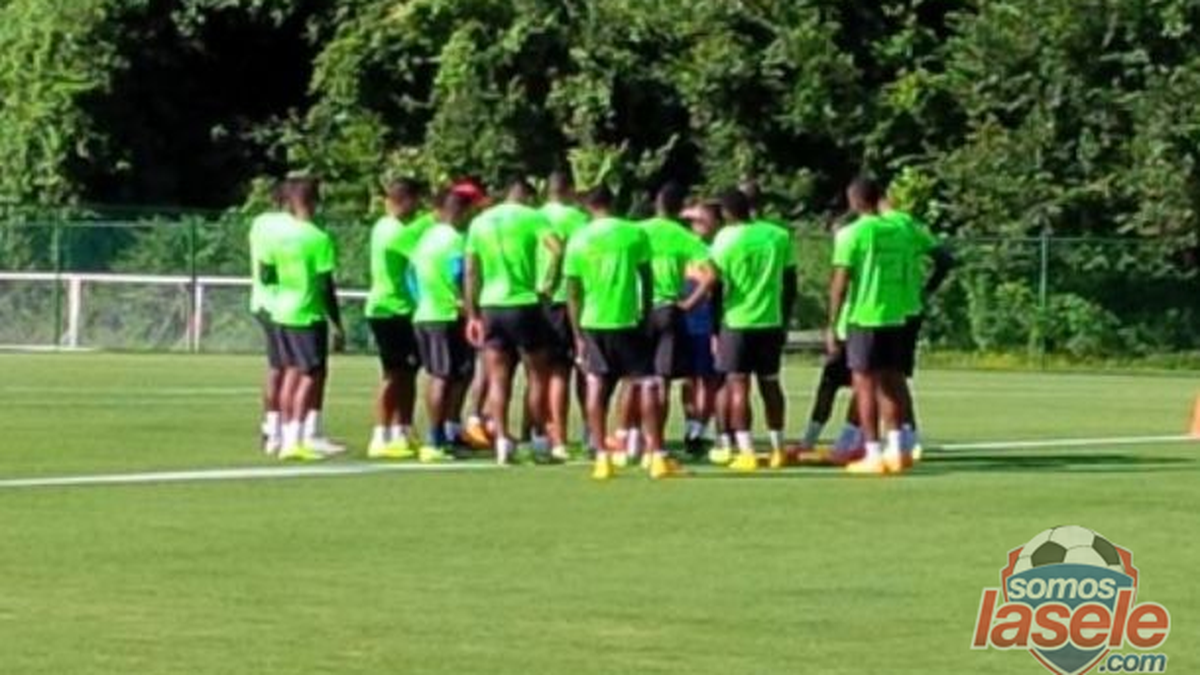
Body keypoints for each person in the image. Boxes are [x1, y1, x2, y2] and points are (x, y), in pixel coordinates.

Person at [564, 186, 682, 480]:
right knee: (647, 384)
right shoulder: (634, 233)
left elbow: (572, 292)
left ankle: (602, 457)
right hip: (628, 319)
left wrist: (577, 333)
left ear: (588, 206)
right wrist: (646, 313)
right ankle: (656, 456)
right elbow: (647, 277)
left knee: (595, 385)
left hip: (593, 321)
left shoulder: (579, 238)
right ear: (613, 202)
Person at [613, 183, 714, 465]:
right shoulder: (683, 236)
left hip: (635, 310)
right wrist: (690, 303)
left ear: (655, 205)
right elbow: (710, 275)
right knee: (660, 382)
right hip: (668, 310)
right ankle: (654, 447)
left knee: (631, 379)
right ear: (679, 209)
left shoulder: (636, 231)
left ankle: (627, 442)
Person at [464, 179, 562, 464]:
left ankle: (502, 441)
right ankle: (538, 439)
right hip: (524, 303)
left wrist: (472, 314)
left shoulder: (480, 222)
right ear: (527, 196)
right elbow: (557, 249)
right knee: (537, 375)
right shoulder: (533, 217)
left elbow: (470, 271)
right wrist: (548, 283)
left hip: (491, 306)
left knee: (497, 377)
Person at [826, 177, 914, 475]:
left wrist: (832, 322)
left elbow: (841, 281)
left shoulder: (851, 233)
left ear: (853, 200)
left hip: (864, 315)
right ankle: (896, 449)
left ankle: (873, 452)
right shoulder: (899, 231)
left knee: (864, 386)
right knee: (890, 383)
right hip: (895, 314)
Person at [259, 177, 346, 461]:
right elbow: (325, 285)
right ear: (314, 201)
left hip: (281, 312)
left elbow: (266, 273)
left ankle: (284, 437)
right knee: (308, 376)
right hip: (307, 314)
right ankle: (296, 439)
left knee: (289, 374)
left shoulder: (277, 236)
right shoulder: (318, 238)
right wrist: (336, 323)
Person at [710, 189, 797, 471]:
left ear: (726, 212)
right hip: (770, 321)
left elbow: (716, 286)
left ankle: (746, 450)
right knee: (771, 384)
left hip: (737, 321)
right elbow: (790, 282)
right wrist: (784, 318)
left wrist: (714, 327)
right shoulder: (778, 235)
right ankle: (778, 449)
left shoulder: (725, 239)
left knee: (738, 386)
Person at [880, 196, 954, 461]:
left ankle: (902, 437)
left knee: (884, 375)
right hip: (911, 308)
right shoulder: (910, 226)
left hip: (886, 310)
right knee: (895, 375)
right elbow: (945, 258)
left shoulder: (877, 226)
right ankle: (906, 435)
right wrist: (927, 290)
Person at [364, 179, 430, 459]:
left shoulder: (390, 226)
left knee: (408, 371)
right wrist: (435, 218)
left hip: (402, 308)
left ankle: (402, 429)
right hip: (389, 309)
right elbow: (419, 254)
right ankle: (381, 434)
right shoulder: (392, 229)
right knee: (393, 373)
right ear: (407, 200)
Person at [409, 190, 475, 462]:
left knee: (448, 374)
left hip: (425, 313)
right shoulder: (456, 240)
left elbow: (410, 275)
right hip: (446, 315)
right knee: (442, 376)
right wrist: (465, 304)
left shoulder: (426, 238)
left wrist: (420, 300)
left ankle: (445, 434)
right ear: (460, 211)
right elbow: (459, 274)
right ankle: (434, 439)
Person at [538, 171, 591, 452]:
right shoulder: (578, 219)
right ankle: (588, 432)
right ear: (569, 190)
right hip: (570, 298)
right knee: (580, 367)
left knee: (549, 371)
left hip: (539, 300)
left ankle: (552, 436)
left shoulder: (534, 217)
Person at [248, 180, 292, 455]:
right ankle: (282, 430)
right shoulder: (287, 226)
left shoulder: (260, 222)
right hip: (282, 305)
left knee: (277, 367)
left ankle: (272, 427)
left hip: (263, 302)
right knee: (289, 369)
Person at [679, 201, 724, 458]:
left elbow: (710, 279)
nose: (696, 225)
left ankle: (699, 431)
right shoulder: (685, 244)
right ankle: (690, 427)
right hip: (685, 321)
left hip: (706, 320)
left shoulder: (717, 248)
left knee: (707, 378)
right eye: (694, 221)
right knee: (688, 378)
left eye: (702, 220)